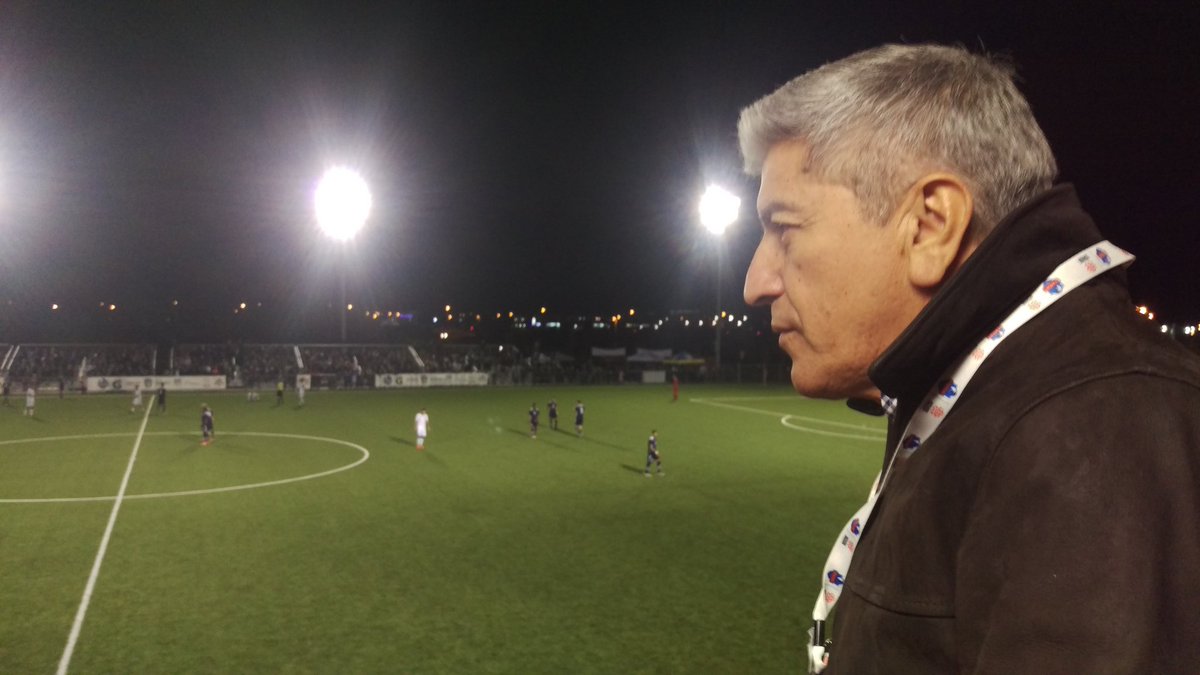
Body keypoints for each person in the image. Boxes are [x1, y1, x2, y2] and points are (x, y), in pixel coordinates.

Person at [739, 44, 1200, 673]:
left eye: (784, 229)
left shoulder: (1100, 426)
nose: (756, 283)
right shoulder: (990, 394)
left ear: (929, 225)